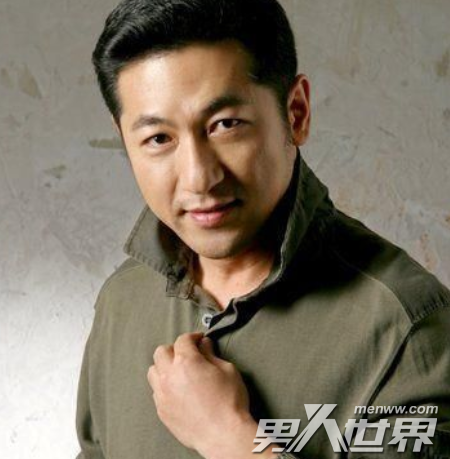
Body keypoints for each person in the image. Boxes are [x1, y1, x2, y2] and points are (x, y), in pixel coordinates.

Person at [75, 0, 450, 457]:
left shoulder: (407, 326)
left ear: (296, 113)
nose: (199, 178)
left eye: (225, 125)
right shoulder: (122, 300)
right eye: (158, 138)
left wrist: (230, 438)